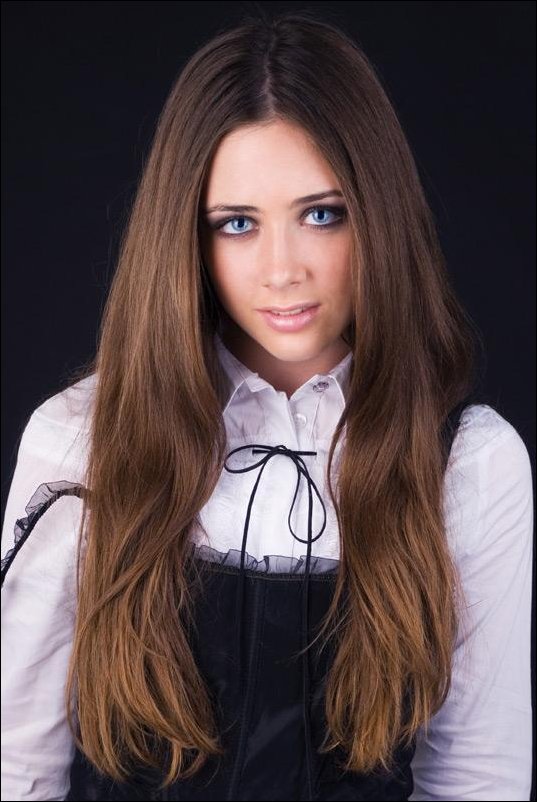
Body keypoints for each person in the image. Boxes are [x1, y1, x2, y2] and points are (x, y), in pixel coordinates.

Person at [1, 10, 533, 802]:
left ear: (377, 214)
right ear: (187, 237)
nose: (281, 270)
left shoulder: (470, 463)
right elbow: (17, 766)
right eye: (237, 224)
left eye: (321, 214)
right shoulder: (80, 439)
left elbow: (475, 777)